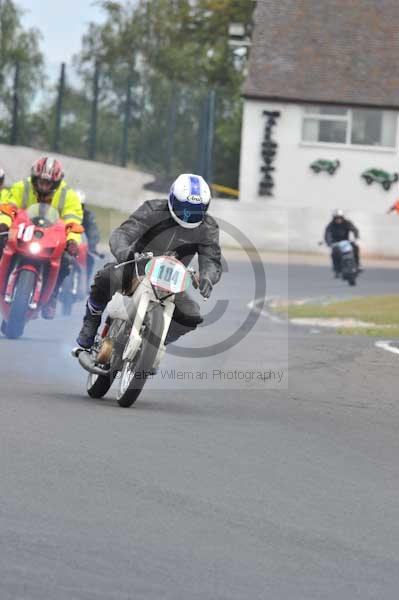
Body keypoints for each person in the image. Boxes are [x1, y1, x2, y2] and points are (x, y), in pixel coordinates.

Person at [76, 173, 222, 349]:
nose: (187, 215)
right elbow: (123, 233)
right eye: (184, 208)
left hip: (172, 279)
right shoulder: (153, 210)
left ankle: (155, 344)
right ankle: (91, 322)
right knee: (106, 277)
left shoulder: (208, 228)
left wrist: (207, 276)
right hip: (137, 267)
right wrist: (125, 252)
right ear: (172, 199)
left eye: (195, 210)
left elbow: (211, 258)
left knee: (191, 316)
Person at [0, 157, 84, 318]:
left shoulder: (68, 196)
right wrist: (4, 223)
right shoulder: (21, 187)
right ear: (34, 178)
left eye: (49, 183)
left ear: (57, 182)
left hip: (50, 240)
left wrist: (72, 240)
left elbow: (73, 221)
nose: (44, 185)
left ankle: (51, 297)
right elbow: (8, 208)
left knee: (66, 260)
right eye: (41, 181)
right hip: (21, 233)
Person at [76, 190, 101, 285]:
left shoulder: (88, 216)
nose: (77, 207)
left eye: (79, 205)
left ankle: (85, 283)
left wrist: (91, 247)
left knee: (90, 259)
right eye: (74, 204)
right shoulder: (64, 213)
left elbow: (93, 232)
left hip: (82, 246)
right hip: (67, 245)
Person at [324, 209, 361, 275]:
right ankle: (337, 269)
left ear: (342, 217)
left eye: (340, 218)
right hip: (335, 243)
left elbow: (354, 230)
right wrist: (328, 242)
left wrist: (356, 237)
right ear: (334, 218)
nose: (338, 219)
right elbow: (327, 234)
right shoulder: (331, 225)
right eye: (337, 218)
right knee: (334, 252)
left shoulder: (347, 223)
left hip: (346, 241)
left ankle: (357, 265)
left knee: (355, 247)